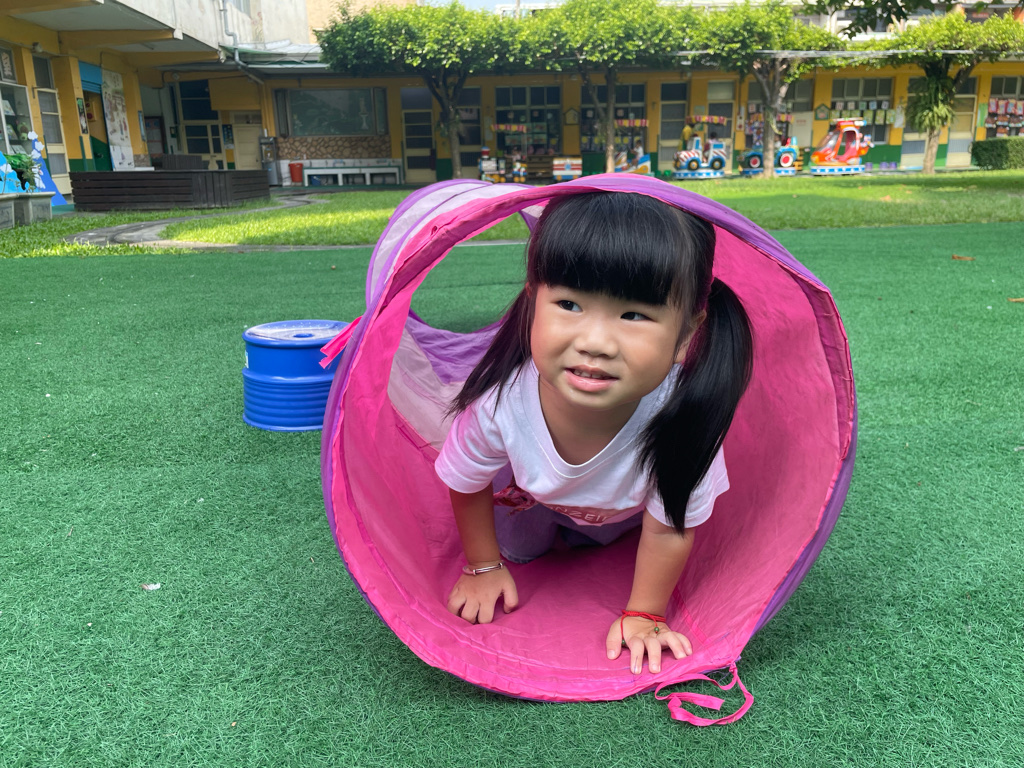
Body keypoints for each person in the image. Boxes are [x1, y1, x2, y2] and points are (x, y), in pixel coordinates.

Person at [434, 191, 754, 675]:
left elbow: (668, 527)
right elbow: (467, 480)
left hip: (627, 513)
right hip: (532, 498)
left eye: (634, 315)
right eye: (568, 303)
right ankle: (552, 527)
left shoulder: (683, 417)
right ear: (532, 303)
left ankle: (592, 535)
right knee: (519, 549)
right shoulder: (501, 404)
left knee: (617, 541)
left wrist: (645, 614)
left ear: (687, 334)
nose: (595, 342)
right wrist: (483, 565)